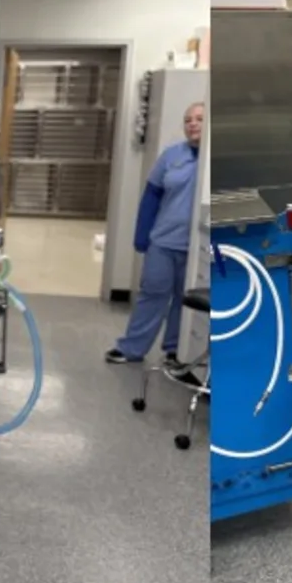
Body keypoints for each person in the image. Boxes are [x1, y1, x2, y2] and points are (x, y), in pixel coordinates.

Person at [105, 101, 205, 380]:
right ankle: (132, 348)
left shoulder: (212, 160)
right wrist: (142, 236)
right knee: (152, 295)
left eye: (199, 119)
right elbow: (151, 198)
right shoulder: (171, 156)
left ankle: (176, 351)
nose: (192, 124)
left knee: (185, 302)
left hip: (197, 247)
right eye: (188, 120)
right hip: (163, 241)